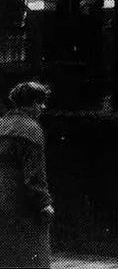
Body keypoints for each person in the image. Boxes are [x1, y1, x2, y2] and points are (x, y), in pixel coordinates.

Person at [0, 81, 54, 268]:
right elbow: (34, 174)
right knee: (32, 256)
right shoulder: (31, 129)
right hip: (21, 201)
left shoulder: (2, 124)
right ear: (31, 104)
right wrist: (44, 203)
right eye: (40, 102)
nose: (43, 107)